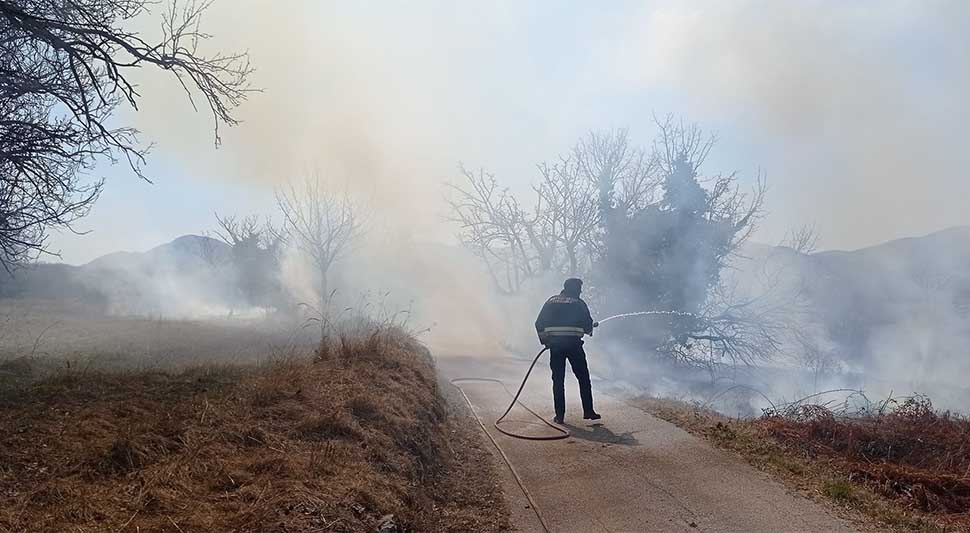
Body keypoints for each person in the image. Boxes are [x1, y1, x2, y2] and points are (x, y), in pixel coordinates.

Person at [534, 277, 600, 425]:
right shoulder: (578, 303)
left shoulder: (550, 302)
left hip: (556, 347)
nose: (581, 291)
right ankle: (588, 411)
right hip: (574, 346)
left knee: (558, 380)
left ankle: (560, 416)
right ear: (575, 289)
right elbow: (588, 327)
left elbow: (538, 323)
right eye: (580, 288)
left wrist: (546, 341)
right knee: (583, 378)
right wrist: (590, 328)